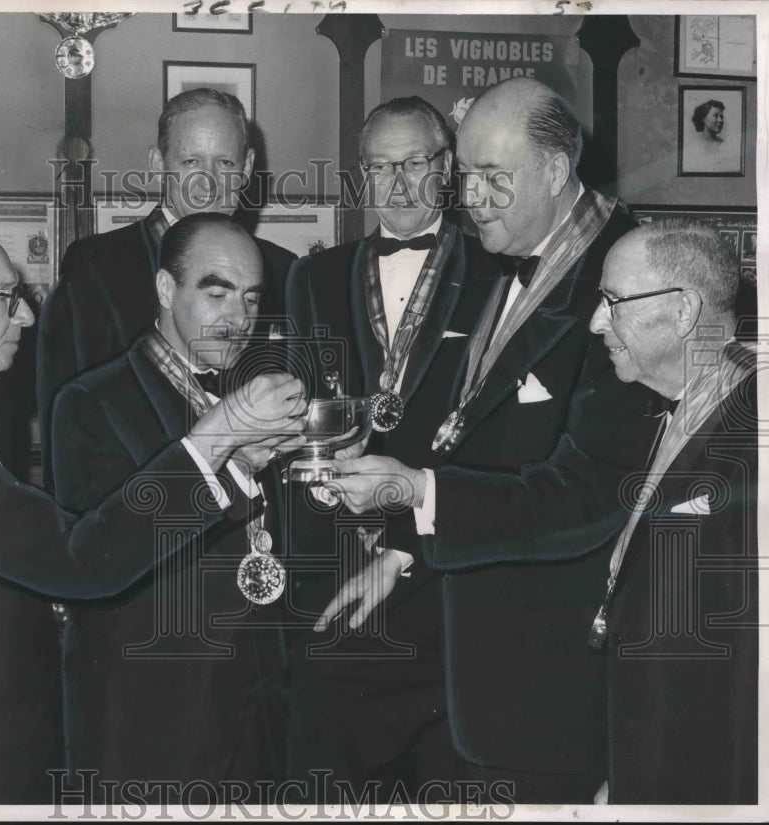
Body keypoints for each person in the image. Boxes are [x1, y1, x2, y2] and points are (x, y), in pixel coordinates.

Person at [0, 213, 295, 804]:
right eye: (4, 297)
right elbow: (82, 561)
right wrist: (211, 440)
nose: (25, 314)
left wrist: (237, 459)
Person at [317, 77, 662, 802]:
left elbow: (594, 492)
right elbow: (476, 436)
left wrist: (418, 490)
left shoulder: (628, 279)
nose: (470, 196)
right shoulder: (514, 253)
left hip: (549, 683)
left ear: (556, 171)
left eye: (493, 178)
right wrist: (405, 547)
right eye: (467, 174)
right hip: (471, 666)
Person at [50, 212, 307, 802]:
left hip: (259, 706)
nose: (239, 319)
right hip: (151, 717)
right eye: (217, 293)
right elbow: (105, 562)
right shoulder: (90, 403)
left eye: (250, 298)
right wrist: (229, 448)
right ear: (166, 290)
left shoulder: (260, 391)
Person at [283, 96, 497, 800]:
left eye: (415, 163)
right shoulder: (313, 276)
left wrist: (408, 533)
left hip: (444, 572)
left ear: (447, 169)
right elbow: (309, 412)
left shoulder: (499, 271)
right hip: (341, 570)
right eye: (380, 166)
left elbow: (501, 441)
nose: (399, 183)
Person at [37, 87, 296, 484]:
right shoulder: (97, 267)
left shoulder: (283, 269)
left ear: (247, 168)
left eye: (225, 162)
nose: (207, 184)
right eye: (191, 161)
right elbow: (70, 430)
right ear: (158, 164)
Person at [588, 221, 757, 804]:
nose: (596, 322)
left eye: (613, 302)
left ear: (684, 309)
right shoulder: (661, 407)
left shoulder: (751, 438)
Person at [682, 99, 739, 174]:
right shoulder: (692, 146)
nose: (720, 120)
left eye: (721, 117)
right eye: (715, 116)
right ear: (703, 118)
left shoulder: (726, 146)